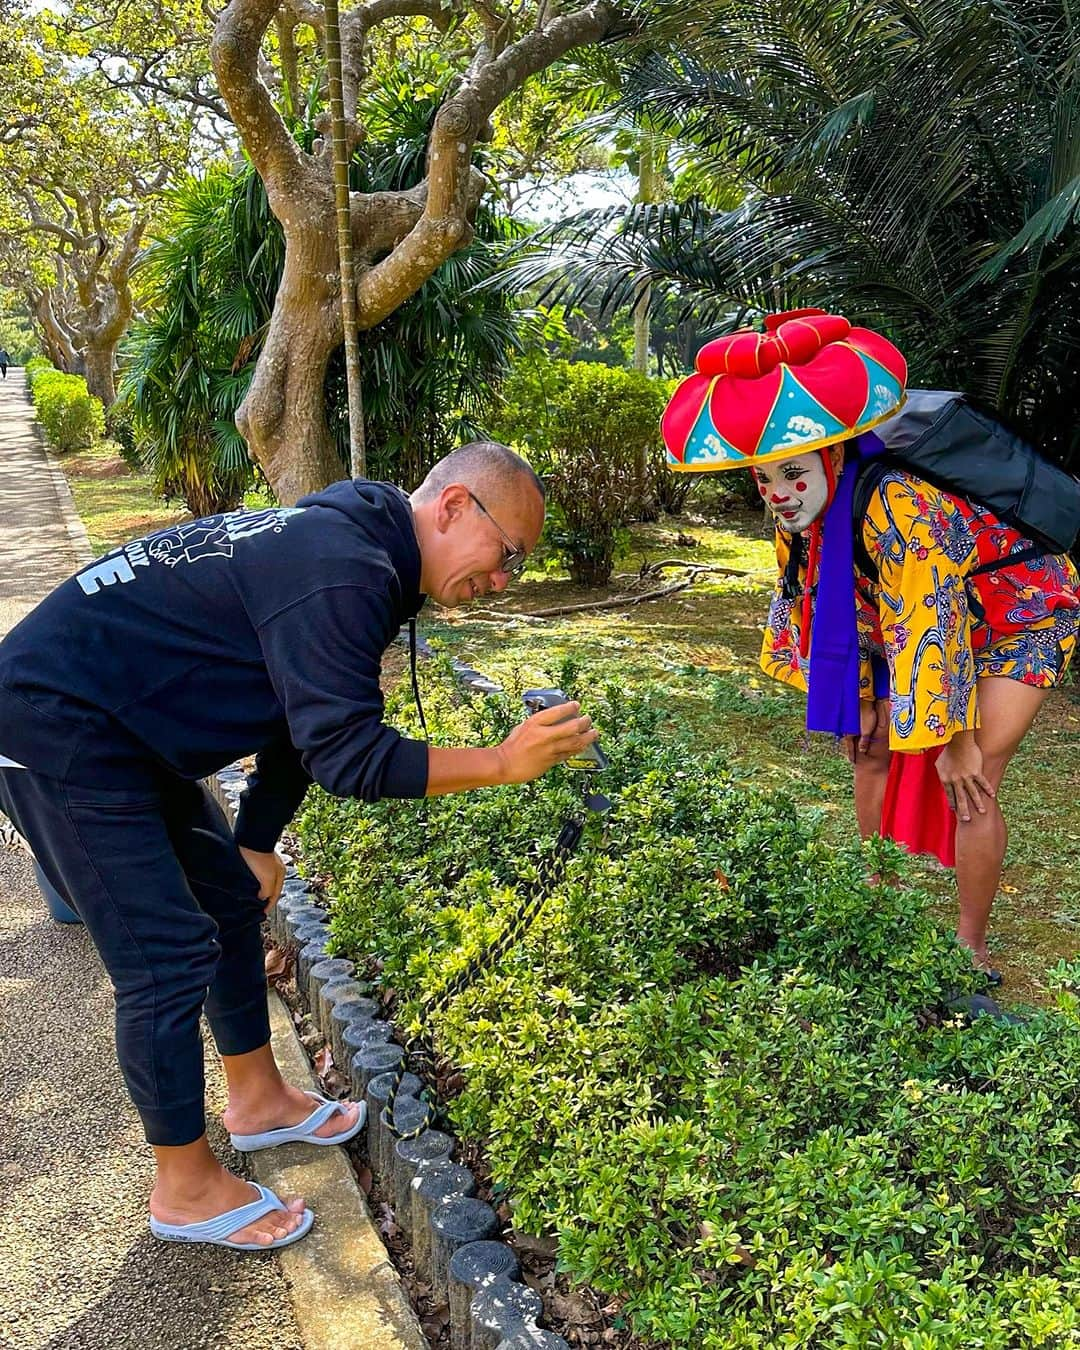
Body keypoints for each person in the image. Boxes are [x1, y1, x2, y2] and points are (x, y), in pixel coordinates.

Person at [0, 441, 598, 1252]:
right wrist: (499, 762)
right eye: (509, 556)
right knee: (165, 956)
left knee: (227, 898)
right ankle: (182, 1186)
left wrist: (254, 843)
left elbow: (297, 720)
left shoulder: (362, 556)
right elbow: (349, 754)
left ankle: (258, 1100)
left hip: (122, 729)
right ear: (455, 507)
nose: (502, 582)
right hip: (56, 726)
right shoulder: (344, 565)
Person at [661, 310, 1080, 980]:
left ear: (828, 457)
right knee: (869, 749)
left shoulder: (903, 507)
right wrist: (857, 698)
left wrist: (956, 737)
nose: (778, 494)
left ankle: (971, 945)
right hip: (919, 622)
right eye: (764, 479)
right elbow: (822, 605)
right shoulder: (798, 519)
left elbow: (930, 621)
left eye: (792, 474)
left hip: (1022, 616)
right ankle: (877, 901)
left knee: (972, 782)